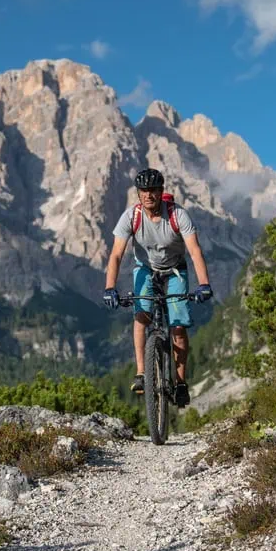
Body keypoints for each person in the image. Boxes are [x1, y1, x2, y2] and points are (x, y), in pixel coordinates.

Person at [102, 167, 213, 407]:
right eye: (144, 190)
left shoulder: (177, 214)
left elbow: (194, 251)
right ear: (138, 194)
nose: (148, 195)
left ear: (161, 192)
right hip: (145, 269)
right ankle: (142, 373)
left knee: (179, 326)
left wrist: (204, 284)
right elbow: (116, 255)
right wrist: (109, 288)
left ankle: (180, 383)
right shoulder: (131, 217)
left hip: (175, 269)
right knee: (141, 315)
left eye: (153, 190)